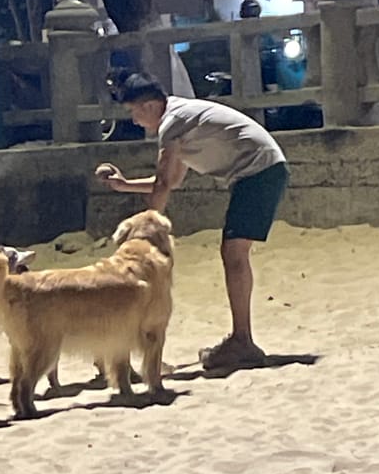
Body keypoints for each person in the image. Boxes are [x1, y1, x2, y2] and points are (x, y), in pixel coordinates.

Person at [95, 71, 289, 369]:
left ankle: (242, 340)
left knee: (234, 253)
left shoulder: (172, 123)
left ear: (148, 106)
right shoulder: (181, 119)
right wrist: (125, 185)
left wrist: (146, 232)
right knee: (233, 252)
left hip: (258, 171)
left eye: (134, 112)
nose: (135, 121)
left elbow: (162, 185)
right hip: (260, 170)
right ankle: (242, 338)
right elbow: (169, 181)